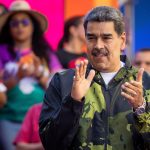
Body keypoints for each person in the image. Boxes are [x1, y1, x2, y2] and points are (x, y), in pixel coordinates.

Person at [39, 6, 150, 150]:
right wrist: (73, 102)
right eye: (91, 38)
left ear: (122, 40)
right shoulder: (63, 81)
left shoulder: (145, 82)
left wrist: (140, 108)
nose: (98, 45)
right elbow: (50, 143)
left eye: (106, 38)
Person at [0, 0, 61, 150]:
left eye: (25, 22)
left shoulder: (46, 54)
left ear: (33, 26)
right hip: (10, 117)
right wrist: (18, 76)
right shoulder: (1, 52)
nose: (20, 27)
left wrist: (39, 74)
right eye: (15, 23)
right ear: (9, 28)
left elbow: (59, 86)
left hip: (41, 118)